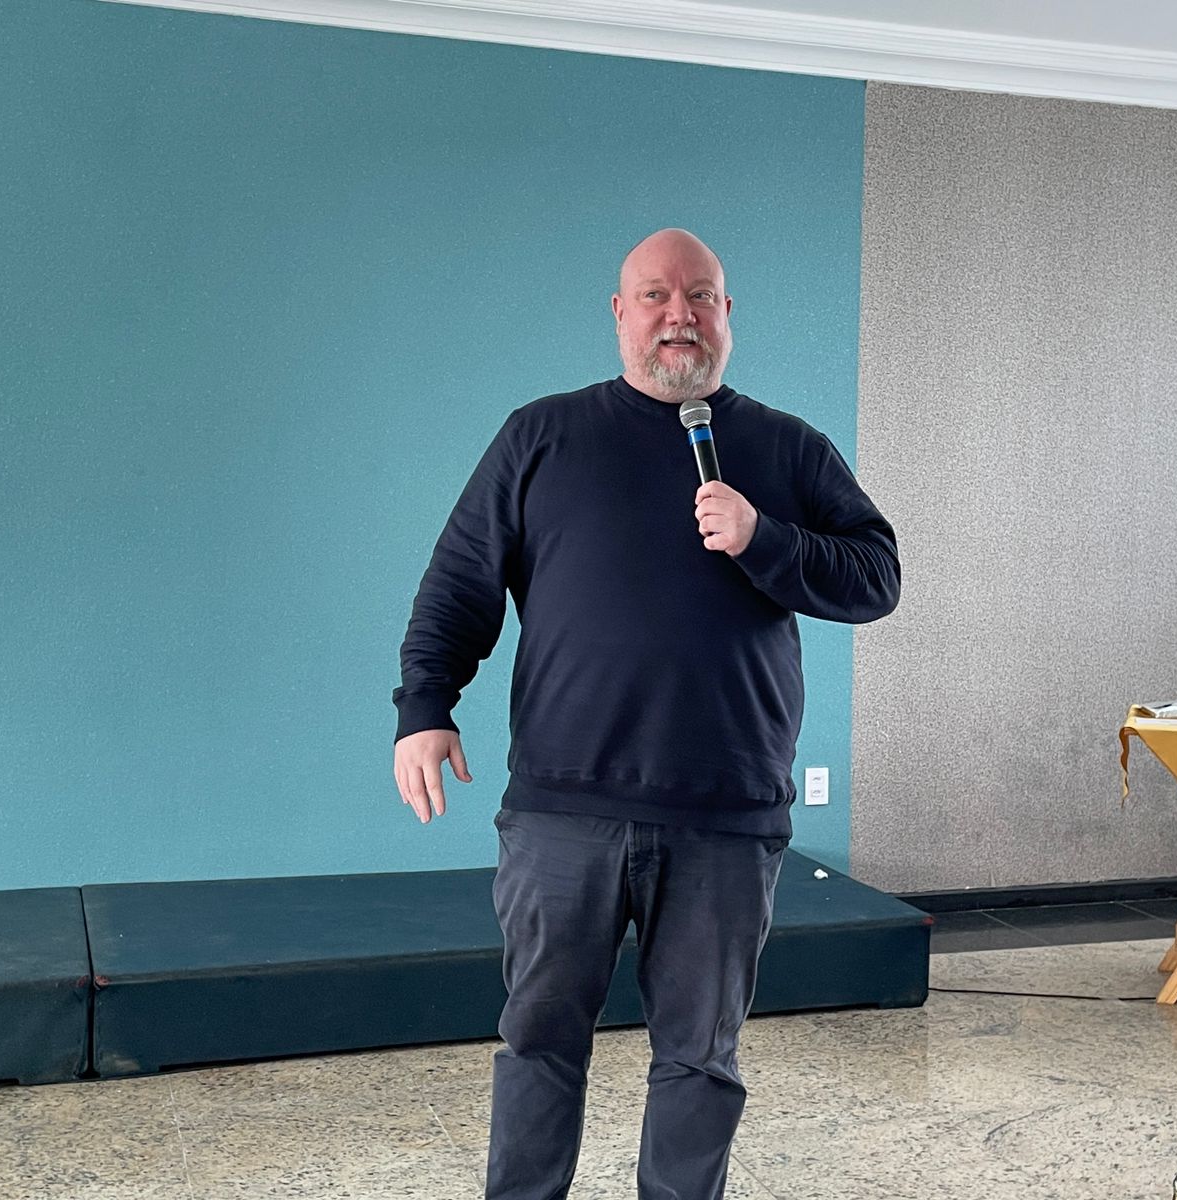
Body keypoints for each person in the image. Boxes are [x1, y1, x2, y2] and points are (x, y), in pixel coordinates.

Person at [392, 228, 900, 1200]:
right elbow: (459, 584)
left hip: (725, 816)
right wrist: (425, 707)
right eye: (657, 296)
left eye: (700, 296)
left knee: (699, 1060)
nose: (679, 315)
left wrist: (765, 537)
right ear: (621, 314)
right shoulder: (540, 436)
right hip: (562, 811)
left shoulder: (787, 448)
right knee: (539, 1042)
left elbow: (876, 577)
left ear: (726, 315)